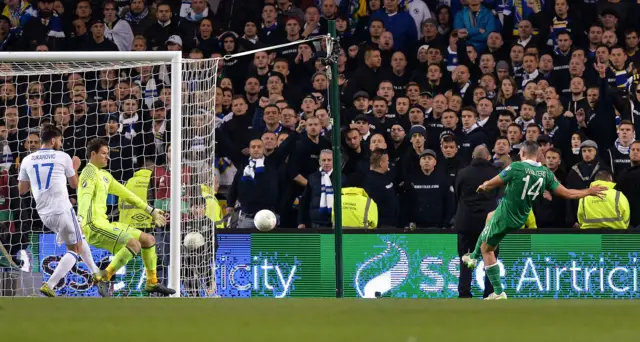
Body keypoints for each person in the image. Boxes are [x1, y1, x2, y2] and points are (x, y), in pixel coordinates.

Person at [463, 141, 607, 300]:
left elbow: (494, 182)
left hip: (506, 214)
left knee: (487, 246)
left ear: (522, 153)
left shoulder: (517, 167)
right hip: (521, 217)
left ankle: (479, 265)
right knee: (490, 222)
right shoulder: (546, 173)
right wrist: (588, 191)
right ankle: (486, 276)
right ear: (538, 154)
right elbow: (567, 194)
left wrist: (484, 185)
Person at [77, 138, 174, 296]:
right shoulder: (88, 172)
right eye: (103, 153)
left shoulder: (105, 175)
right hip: (92, 225)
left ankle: (152, 282)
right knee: (133, 244)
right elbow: (85, 196)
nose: (107, 157)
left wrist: (151, 211)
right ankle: (103, 278)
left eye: (108, 153)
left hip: (105, 223)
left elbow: (127, 194)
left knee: (148, 240)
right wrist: (80, 219)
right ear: (93, 154)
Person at [17, 125, 104, 297]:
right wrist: (75, 168)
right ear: (53, 140)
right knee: (75, 249)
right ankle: (49, 284)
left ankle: (96, 273)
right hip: (62, 209)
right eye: (60, 140)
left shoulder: (27, 160)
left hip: (43, 214)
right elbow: (75, 185)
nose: (61, 143)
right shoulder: (63, 157)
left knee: (79, 238)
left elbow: (22, 190)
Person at [454, 145, 500, 298]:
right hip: (489, 223)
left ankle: (464, 292)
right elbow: (500, 195)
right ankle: (489, 291)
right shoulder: (495, 173)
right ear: (488, 157)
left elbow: (457, 194)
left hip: (466, 222)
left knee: (466, 258)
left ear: (473, 156)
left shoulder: (463, 173)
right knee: (490, 257)